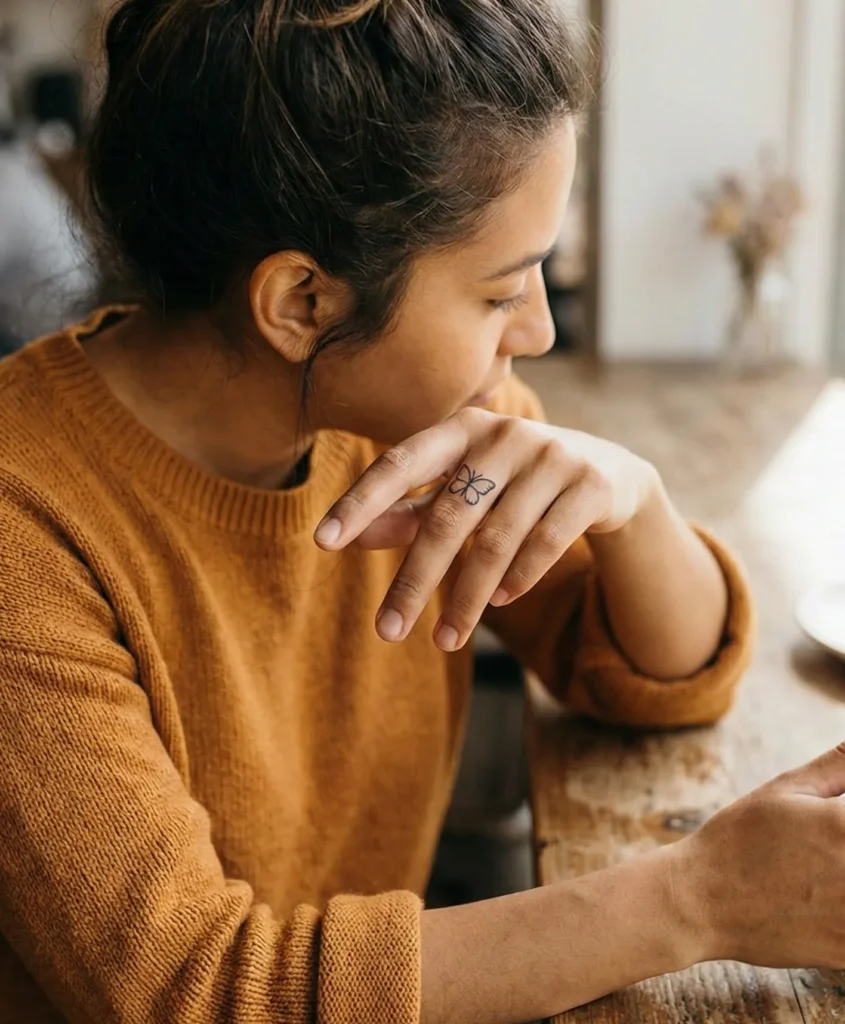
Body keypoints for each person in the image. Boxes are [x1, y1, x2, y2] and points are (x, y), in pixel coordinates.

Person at [0, 1, 843, 1021]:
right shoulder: (27, 527)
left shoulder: (413, 414)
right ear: (302, 303)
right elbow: (201, 989)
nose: (532, 330)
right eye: (500, 291)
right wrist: (696, 899)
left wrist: (634, 500)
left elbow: (654, 677)